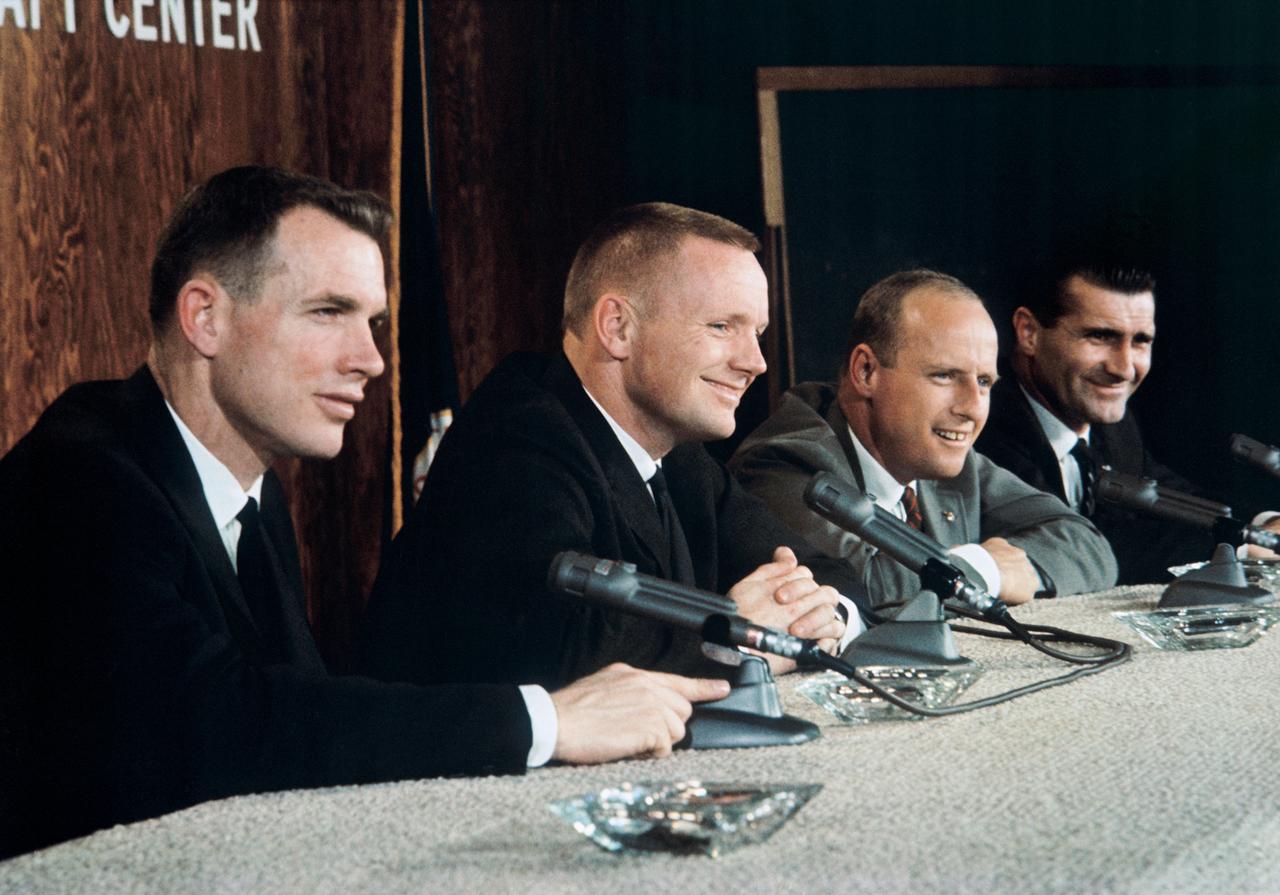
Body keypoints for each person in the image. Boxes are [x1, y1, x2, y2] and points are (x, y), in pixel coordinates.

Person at [0, 168, 731, 858]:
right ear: (205, 318)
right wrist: (545, 719)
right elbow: (221, 726)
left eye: (374, 321)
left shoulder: (249, 487)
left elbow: (296, 718)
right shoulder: (82, 474)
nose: (371, 359)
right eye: (328, 313)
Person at [359, 203, 868, 691]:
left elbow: (826, 571)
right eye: (721, 327)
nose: (755, 362)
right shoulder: (514, 442)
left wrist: (824, 616)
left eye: (755, 333)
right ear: (617, 327)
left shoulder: (679, 455)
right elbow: (563, 655)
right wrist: (736, 638)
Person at [730, 270, 1117, 609]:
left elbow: (1088, 545)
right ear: (866, 371)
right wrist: (986, 569)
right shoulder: (783, 461)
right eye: (945, 376)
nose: (972, 408)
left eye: (984, 382)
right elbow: (859, 586)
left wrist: (992, 569)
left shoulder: (943, 459)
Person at [974, 253, 1280, 584]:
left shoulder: (1110, 420)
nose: (1123, 368)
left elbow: (1171, 500)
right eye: (1100, 336)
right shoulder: (982, 421)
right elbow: (1084, 547)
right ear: (1029, 332)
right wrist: (1241, 545)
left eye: (1140, 341)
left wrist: (1262, 525)